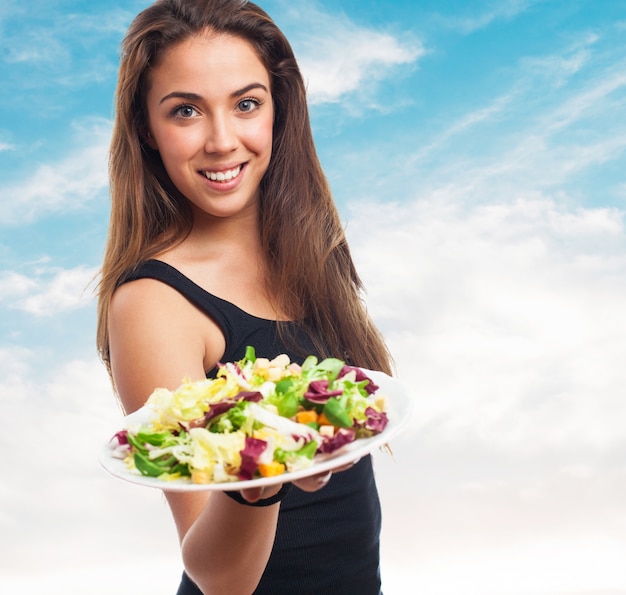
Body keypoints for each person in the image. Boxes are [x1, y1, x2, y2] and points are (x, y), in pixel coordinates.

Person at [96, 0, 393, 593]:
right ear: (147, 132)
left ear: (280, 112)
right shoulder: (154, 302)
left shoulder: (311, 256)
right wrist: (256, 484)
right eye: (185, 111)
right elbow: (218, 576)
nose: (222, 140)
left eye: (246, 104)